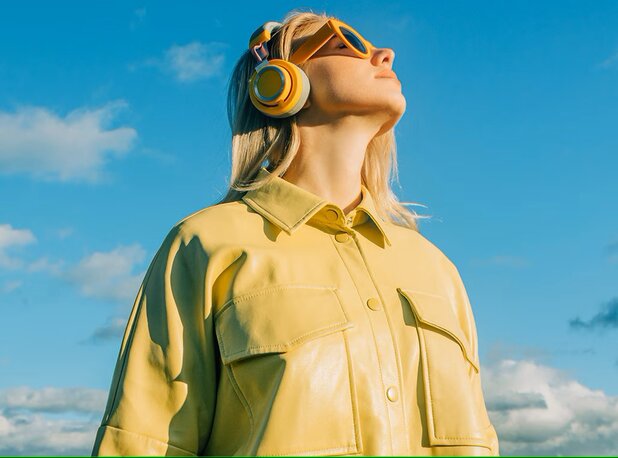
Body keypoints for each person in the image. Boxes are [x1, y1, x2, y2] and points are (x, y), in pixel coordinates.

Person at [91, 9, 500, 456]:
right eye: (347, 44)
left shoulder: (436, 268)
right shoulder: (205, 245)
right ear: (281, 84)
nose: (385, 55)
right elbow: (142, 442)